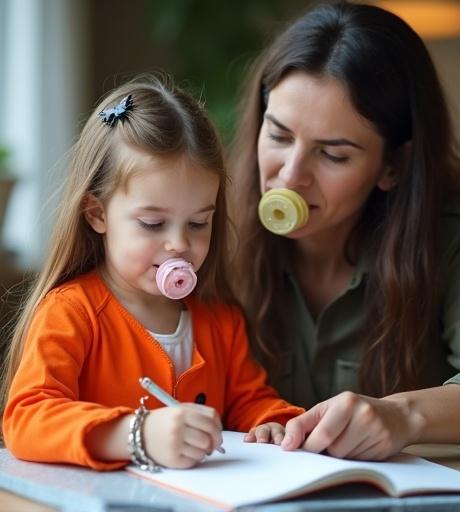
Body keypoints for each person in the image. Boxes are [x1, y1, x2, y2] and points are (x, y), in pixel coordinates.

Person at [229, 1, 460, 460]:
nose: (291, 176)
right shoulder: (204, 228)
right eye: (279, 136)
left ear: (392, 166)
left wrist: (404, 416)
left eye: (333, 155)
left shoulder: (456, 239)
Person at [1, 74, 303, 471]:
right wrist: (138, 434)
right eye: (152, 224)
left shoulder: (220, 319)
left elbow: (249, 400)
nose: (179, 244)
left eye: (198, 224)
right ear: (98, 214)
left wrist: (272, 422)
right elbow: (27, 419)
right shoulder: (71, 312)